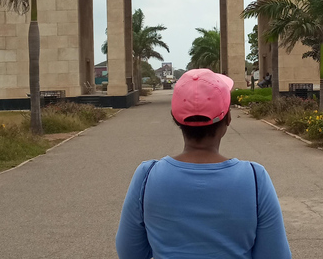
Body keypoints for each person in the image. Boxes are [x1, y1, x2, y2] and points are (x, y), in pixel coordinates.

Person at [116, 68, 291, 259]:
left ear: (175, 118)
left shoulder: (147, 176)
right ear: (228, 119)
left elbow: (129, 252)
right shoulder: (255, 178)